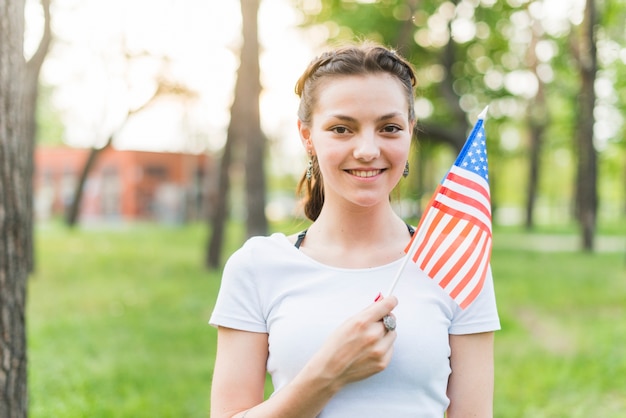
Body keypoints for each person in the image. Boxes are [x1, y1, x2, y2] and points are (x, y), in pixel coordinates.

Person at [209, 41, 500, 418]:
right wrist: (327, 374)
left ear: (410, 133)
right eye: (342, 128)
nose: (367, 149)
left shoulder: (455, 262)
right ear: (307, 136)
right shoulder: (256, 266)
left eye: (389, 128)